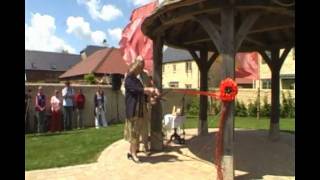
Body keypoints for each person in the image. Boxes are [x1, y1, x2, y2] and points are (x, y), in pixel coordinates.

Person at [124, 60, 159, 163]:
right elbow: (137, 90)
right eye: (139, 69)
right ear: (135, 68)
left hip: (140, 110)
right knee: (134, 134)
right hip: (133, 110)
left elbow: (142, 94)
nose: (141, 71)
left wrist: (151, 99)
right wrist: (149, 89)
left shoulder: (137, 80)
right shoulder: (129, 79)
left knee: (136, 133)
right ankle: (134, 154)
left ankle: (131, 152)